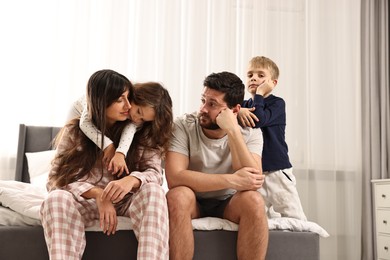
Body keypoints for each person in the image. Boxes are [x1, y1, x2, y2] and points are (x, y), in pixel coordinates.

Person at [40, 70, 173, 260]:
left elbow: (155, 173)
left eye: (129, 98)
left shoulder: (142, 131)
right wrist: (98, 194)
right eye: (120, 100)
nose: (128, 106)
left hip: (127, 201)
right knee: (55, 199)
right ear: (102, 101)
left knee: (155, 192)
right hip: (88, 202)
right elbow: (54, 181)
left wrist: (131, 179)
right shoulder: (76, 130)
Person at [165, 71, 269, 260]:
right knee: (177, 195)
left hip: (229, 203)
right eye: (203, 100)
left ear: (234, 110)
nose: (203, 109)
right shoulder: (182, 125)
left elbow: (253, 180)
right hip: (193, 200)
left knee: (254, 200)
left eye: (212, 104)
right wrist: (232, 180)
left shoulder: (251, 133)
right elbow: (175, 177)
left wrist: (233, 131)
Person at [238, 56, 307, 221]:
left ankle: (301, 245)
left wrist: (259, 94)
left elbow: (258, 120)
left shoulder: (278, 104)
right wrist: (239, 111)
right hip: (255, 173)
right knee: (259, 219)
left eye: (261, 75)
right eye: (250, 75)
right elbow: (226, 113)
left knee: (293, 215)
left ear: (273, 83)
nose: (254, 78)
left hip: (277, 170)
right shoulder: (242, 105)